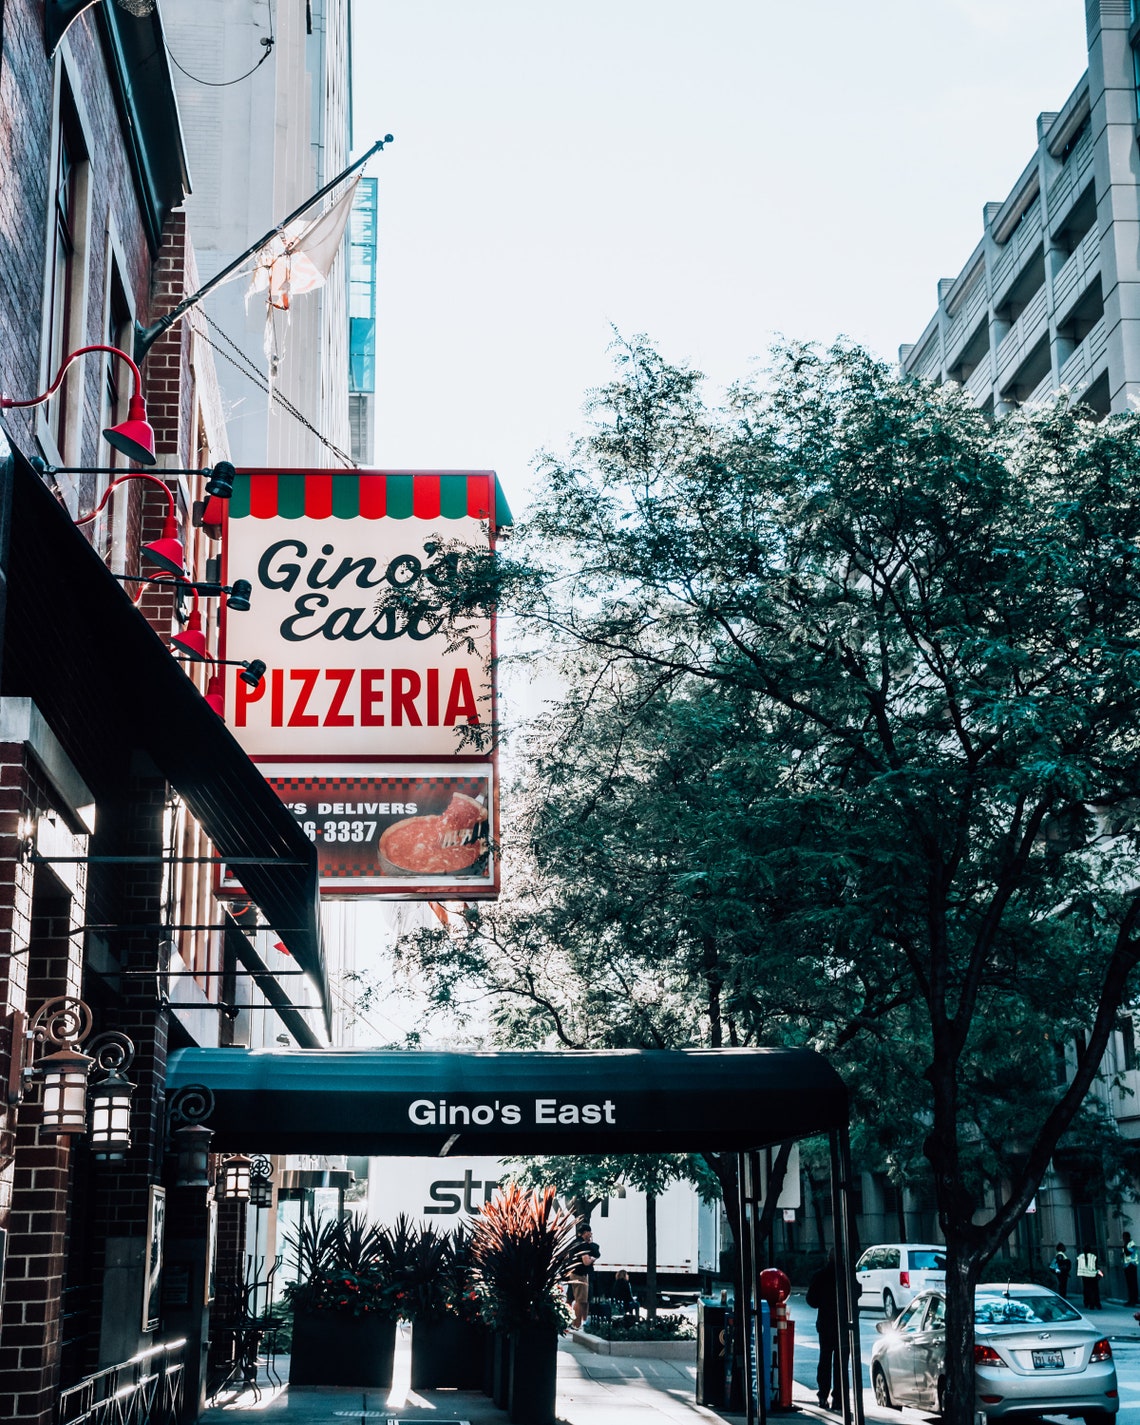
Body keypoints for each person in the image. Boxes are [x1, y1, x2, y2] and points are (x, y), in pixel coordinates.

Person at [806, 1250, 849, 1412]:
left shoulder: (820, 1276)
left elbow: (811, 1300)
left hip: (825, 1323)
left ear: (828, 1258)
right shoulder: (847, 1276)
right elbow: (857, 1293)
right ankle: (838, 1398)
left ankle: (823, 1395)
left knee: (825, 1359)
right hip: (843, 1324)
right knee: (841, 1363)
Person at [567, 1225, 601, 1329]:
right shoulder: (583, 1245)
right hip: (580, 1275)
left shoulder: (574, 1243)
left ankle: (574, 1323)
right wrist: (592, 1259)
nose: (591, 1234)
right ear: (585, 1232)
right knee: (580, 1300)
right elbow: (586, 1262)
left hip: (573, 1273)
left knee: (577, 1299)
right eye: (590, 1232)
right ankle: (576, 1324)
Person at [1076, 1244, 1102, 1309]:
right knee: (1094, 1289)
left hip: (1084, 1275)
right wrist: (1099, 1274)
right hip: (1092, 1275)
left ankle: (1088, 1303)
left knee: (1086, 1289)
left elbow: (1077, 1264)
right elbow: (1096, 1266)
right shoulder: (1093, 1256)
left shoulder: (1080, 1256)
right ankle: (1096, 1303)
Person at [1124, 1231, 1139, 1306]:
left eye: (1124, 1237)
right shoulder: (1128, 1244)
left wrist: (1125, 1247)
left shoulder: (1131, 1244)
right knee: (1131, 1284)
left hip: (1131, 1265)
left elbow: (1129, 1252)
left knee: (1132, 1284)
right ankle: (1132, 1299)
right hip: (1128, 1265)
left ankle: (1133, 1300)